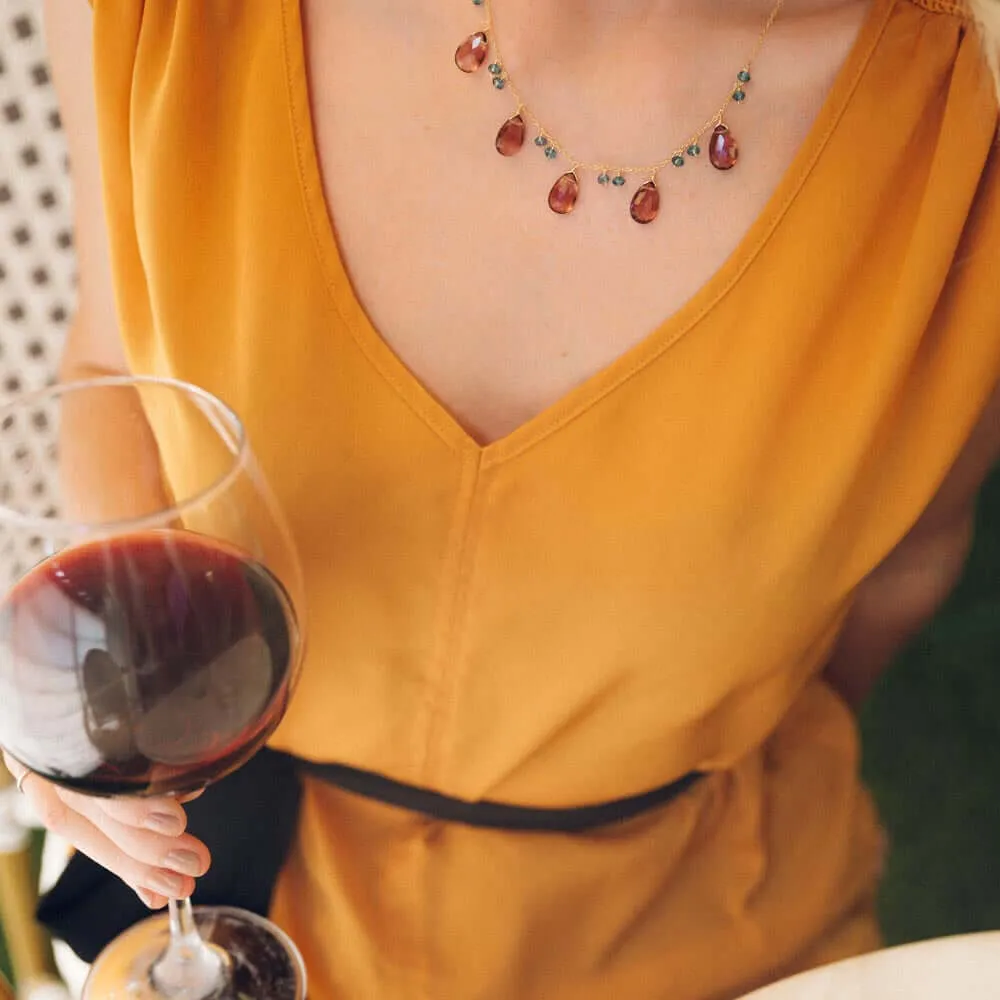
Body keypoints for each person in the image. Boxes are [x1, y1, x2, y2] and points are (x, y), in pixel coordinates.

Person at [4, 0, 1000, 996]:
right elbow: (116, 363)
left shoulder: (967, 111)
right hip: (225, 884)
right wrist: (117, 680)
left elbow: (907, 562)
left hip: (699, 925)